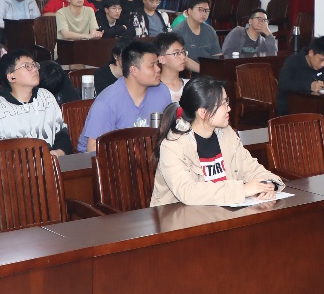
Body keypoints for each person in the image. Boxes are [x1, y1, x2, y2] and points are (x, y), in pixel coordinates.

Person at [151, 76, 284, 207]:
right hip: (179, 216)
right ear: (203, 113)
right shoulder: (173, 144)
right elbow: (188, 192)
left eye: (227, 101)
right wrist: (242, 190)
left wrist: (268, 184)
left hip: (221, 213)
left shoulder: (227, 134)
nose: (229, 108)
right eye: (223, 104)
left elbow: (250, 168)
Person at [76, 39, 170, 152]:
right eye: (151, 65)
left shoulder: (162, 91)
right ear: (134, 70)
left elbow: (169, 132)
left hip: (147, 156)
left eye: (157, 63)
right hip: (108, 158)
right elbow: (93, 150)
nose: (158, 69)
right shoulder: (107, 102)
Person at [0, 49, 72, 152]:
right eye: (27, 66)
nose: (34, 69)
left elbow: (61, 132)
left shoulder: (46, 96)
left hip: (50, 160)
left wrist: (59, 152)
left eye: (34, 65)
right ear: (11, 77)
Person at [276, 36, 324, 114]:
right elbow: (283, 84)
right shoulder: (293, 61)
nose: (323, 64)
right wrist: (309, 86)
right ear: (311, 53)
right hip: (290, 108)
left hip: (315, 107)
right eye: (321, 60)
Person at [174, 0, 221, 70]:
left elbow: (217, 54)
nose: (204, 13)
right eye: (201, 10)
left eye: (207, 11)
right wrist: (204, 70)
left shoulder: (210, 30)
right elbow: (183, 59)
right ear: (190, 11)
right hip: (190, 72)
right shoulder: (178, 32)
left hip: (210, 70)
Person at [154, 31, 188, 102]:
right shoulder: (154, 89)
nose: (183, 57)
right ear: (161, 59)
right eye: (177, 53)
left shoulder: (189, 85)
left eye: (183, 52)